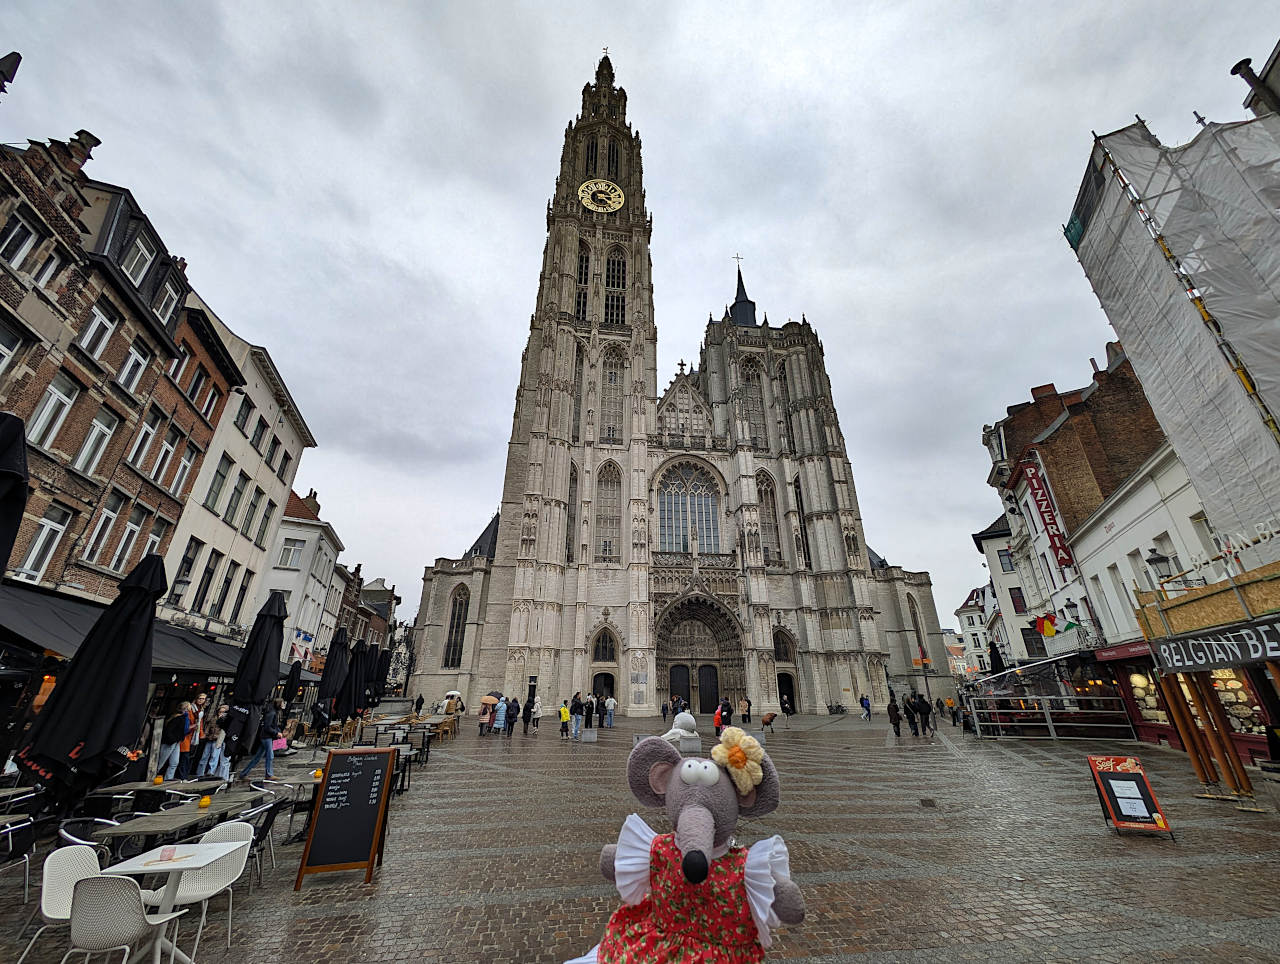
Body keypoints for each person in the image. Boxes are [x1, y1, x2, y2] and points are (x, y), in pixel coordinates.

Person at [239, 699, 283, 780]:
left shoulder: (274, 712)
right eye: (282, 703)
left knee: (257, 757)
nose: (283, 705)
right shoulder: (272, 713)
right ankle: (269, 774)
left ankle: (243, 773)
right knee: (270, 756)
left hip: (267, 737)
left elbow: (273, 726)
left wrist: (278, 732)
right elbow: (267, 727)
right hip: (266, 737)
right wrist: (276, 733)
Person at [157, 703, 190, 779]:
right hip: (170, 742)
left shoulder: (183, 718)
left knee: (174, 762)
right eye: (188, 709)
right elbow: (169, 730)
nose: (188, 711)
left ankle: (168, 779)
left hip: (176, 741)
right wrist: (172, 739)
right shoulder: (178, 718)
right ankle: (151, 777)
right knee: (161, 762)